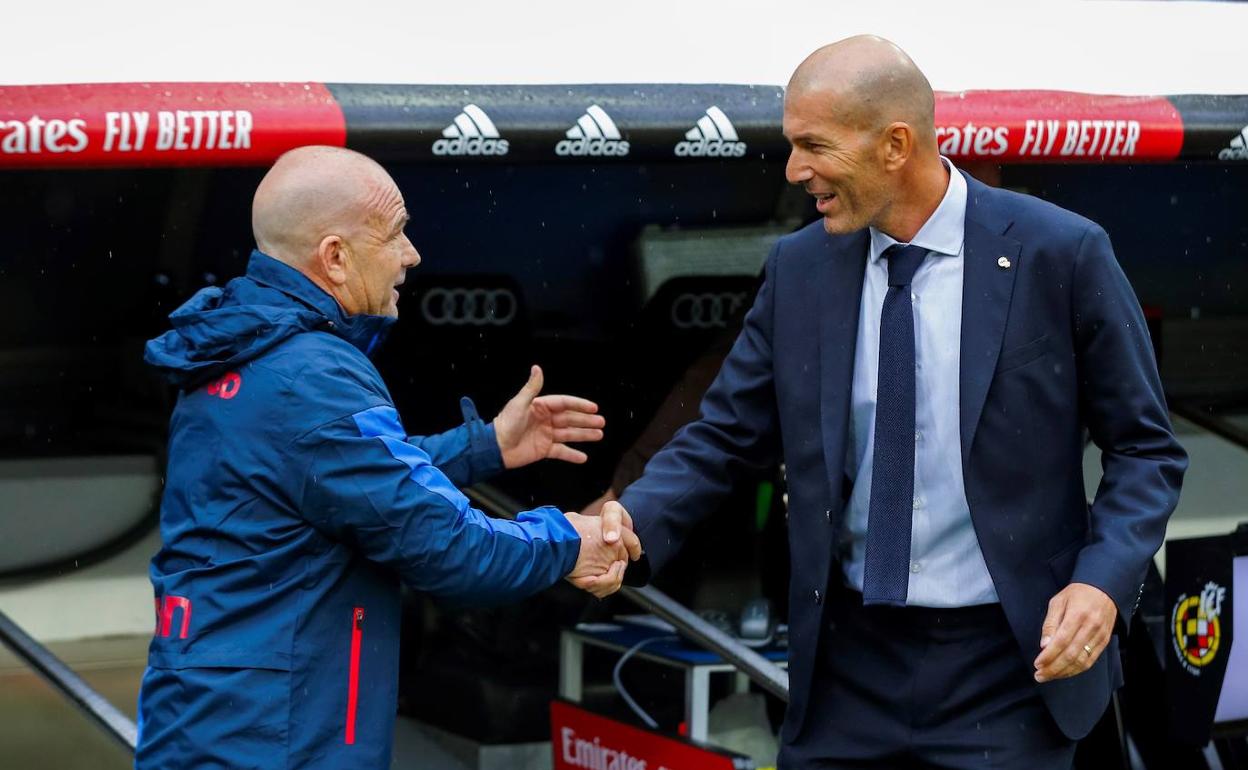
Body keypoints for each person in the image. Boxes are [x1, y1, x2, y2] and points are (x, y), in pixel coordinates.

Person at [594, 36, 1187, 768]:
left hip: (1011, 670)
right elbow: (723, 434)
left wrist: (1102, 583)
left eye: (814, 145)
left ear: (895, 145)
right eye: (790, 144)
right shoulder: (799, 268)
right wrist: (633, 521)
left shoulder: (1060, 252)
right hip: (845, 666)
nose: (793, 171)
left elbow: (1146, 451)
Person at [135, 145, 639, 769]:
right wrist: (567, 539)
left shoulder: (245, 347)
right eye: (396, 232)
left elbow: (330, 477)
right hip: (275, 738)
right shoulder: (312, 376)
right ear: (336, 258)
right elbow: (446, 545)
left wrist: (484, 448)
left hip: (213, 718)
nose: (412, 254)